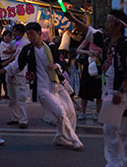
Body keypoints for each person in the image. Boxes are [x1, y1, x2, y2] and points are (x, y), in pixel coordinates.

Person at [17, 22, 83, 150]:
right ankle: (74, 139)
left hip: (57, 84)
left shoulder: (51, 47)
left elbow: (61, 62)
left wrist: (56, 66)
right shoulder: (28, 50)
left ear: (39, 33)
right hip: (42, 88)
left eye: (32, 34)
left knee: (70, 112)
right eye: (28, 34)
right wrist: (2, 69)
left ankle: (61, 137)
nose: (30, 37)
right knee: (60, 112)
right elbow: (17, 65)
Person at [96, 10, 127, 167]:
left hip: (123, 93)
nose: (106, 25)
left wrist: (122, 91)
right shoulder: (109, 43)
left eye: (109, 22)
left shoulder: (126, 45)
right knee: (109, 130)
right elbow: (90, 33)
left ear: (117, 25)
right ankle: (113, 163)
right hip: (110, 91)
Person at [0, 24, 29, 128]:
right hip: (11, 71)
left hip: (19, 72)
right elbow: (13, 53)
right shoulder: (17, 42)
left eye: (16, 31)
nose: (14, 33)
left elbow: (16, 58)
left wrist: (4, 65)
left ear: (21, 32)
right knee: (12, 98)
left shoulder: (25, 43)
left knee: (21, 97)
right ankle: (15, 117)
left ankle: (23, 120)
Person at [75, 23, 104, 121]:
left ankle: (98, 112)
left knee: (98, 92)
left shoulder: (103, 42)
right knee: (84, 90)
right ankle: (83, 112)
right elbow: (78, 50)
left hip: (99, 67)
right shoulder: (87, 40)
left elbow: (106, 56)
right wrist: (87, 52)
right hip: (89, 66)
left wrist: (99, 55)